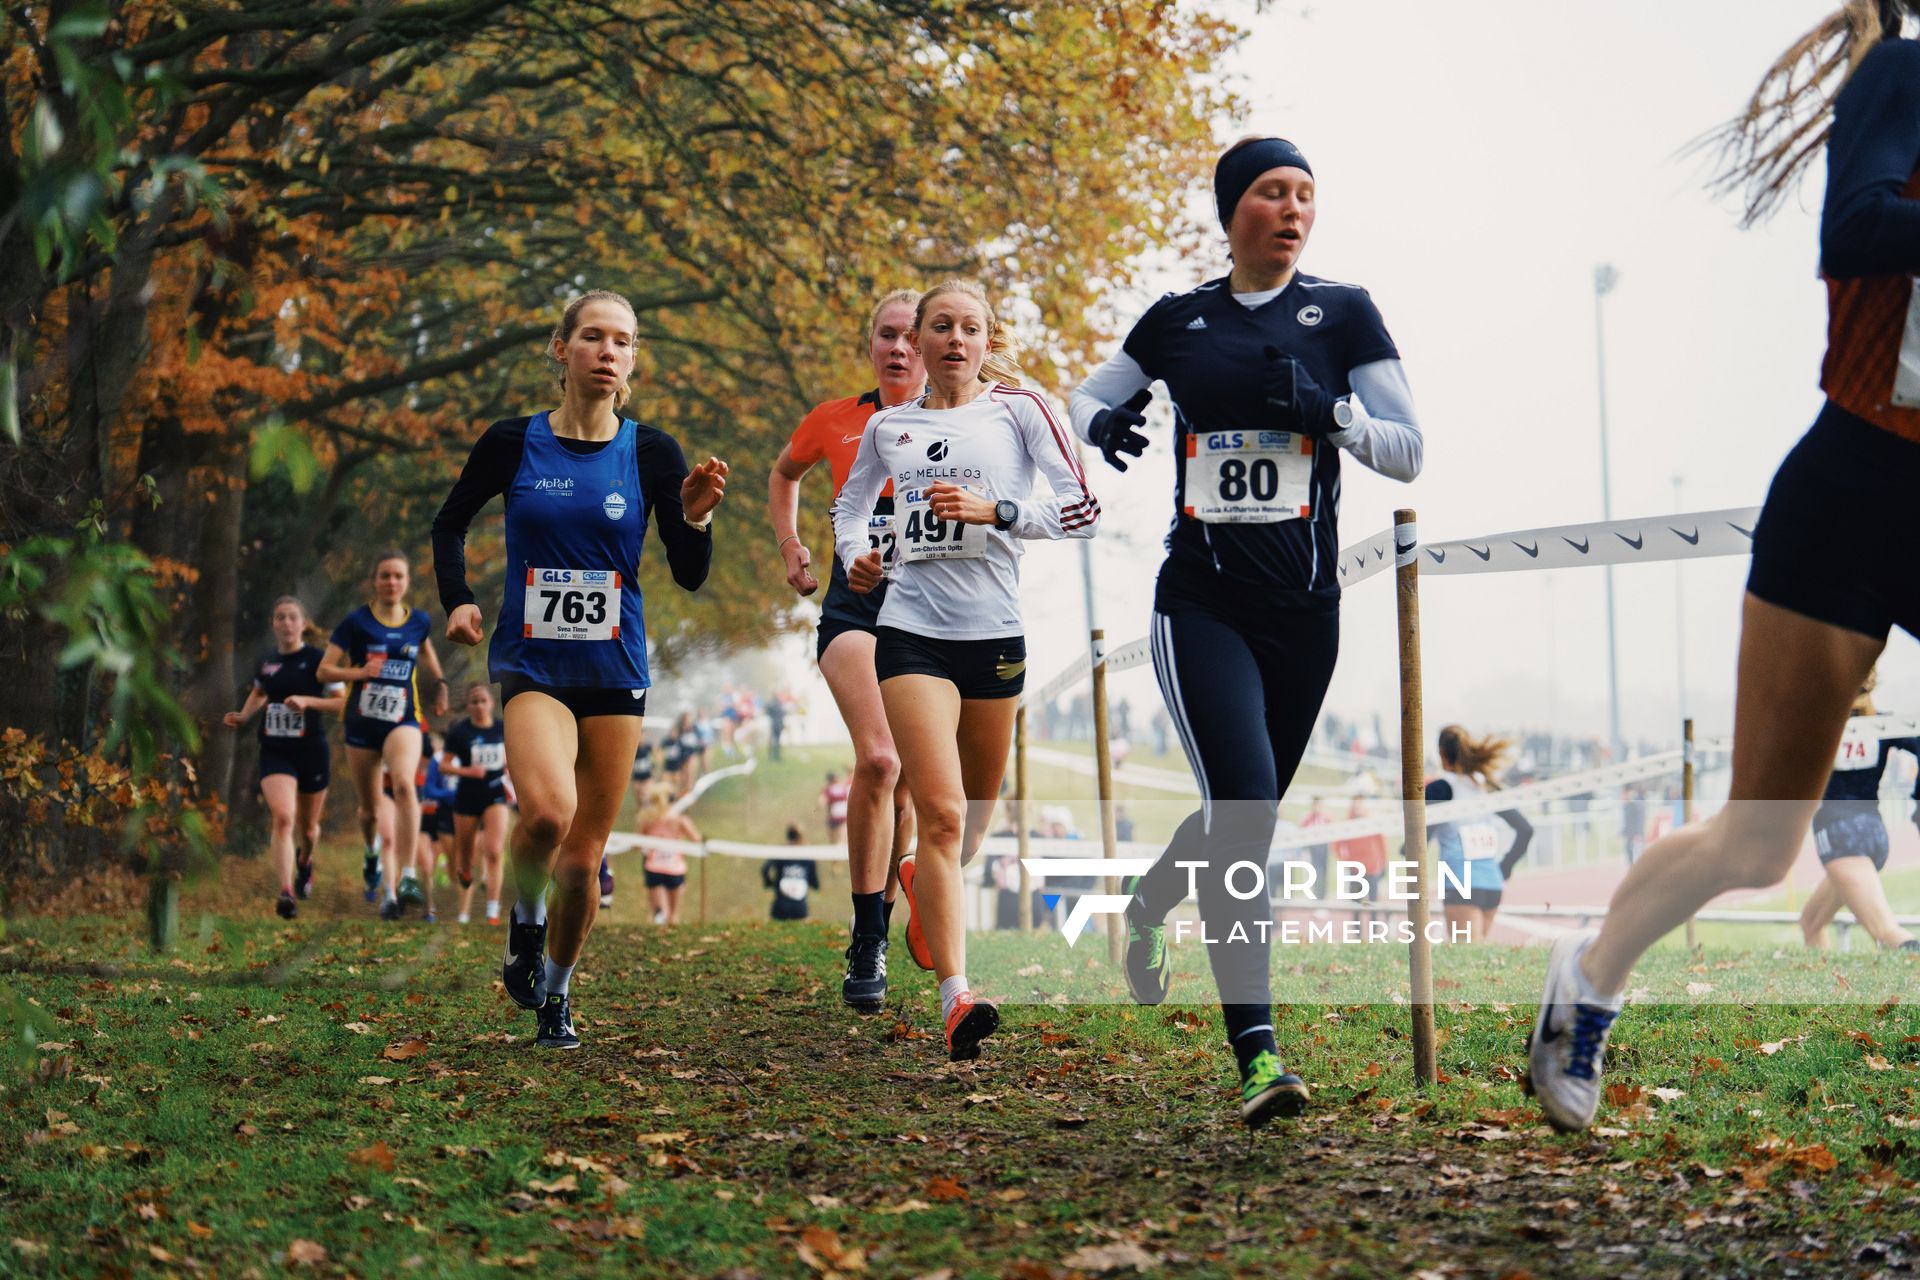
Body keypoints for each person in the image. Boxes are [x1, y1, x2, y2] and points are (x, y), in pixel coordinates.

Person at [1528, 4, 1920, 1132]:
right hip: (1852, 495)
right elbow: (1852, 231)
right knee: (1760, 842)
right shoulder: (1901, 76)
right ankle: (1589, 976)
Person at [1070, 135, 1422, 1127]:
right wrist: (1103, 426)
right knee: (1249, 811)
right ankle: (1259, 1053)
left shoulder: (1343, 313)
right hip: (1203, 603)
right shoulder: (1182, 321)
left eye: (1307, 192)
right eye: (1272, 191)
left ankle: (1146, 904)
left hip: (1306, 615)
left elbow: (1409, 450)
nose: (1293, 206)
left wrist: (1332, 412)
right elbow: (1091, 391)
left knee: (1245, 812)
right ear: (1234, 211)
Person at [431, 288, 726, 1050]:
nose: (608, 351)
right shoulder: (513, 441)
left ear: (632, 360)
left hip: (615, 673)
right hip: (533, 666)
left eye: (622, 341)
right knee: (547, 818)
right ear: (561, 350)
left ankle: (557, 994)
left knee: (583, 863)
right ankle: (522, 932)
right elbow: (450, 521)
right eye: (592, 337)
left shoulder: (653, 452)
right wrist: (459, 601)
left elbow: (688, 573)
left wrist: (693, 515)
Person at [833, 277, 1101, 1061]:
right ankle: (958, 996)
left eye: (970, 328)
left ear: (989, 341)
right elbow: (850, 509)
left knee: (972, 828)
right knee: (943, 815)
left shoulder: (1021, 409)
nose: (955, 339)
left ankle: (916, 879)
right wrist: (857, 556)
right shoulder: (891, 426)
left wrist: (1001, 513)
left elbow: (1083, 509)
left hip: (996, 638)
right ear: (914, 343)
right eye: (940, 327)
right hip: (910, 632)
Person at [769, 289, 927, 1012]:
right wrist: (793, 545)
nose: (899, 349)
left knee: (922, 779)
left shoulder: (972, 420)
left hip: (938, 613)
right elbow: (784, 474)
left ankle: (907, 906)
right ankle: (867, 938)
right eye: (887, 336)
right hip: (854, 608)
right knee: (882, 759)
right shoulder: (836, 420)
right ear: (871, 346)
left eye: (911, 338)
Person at [317, 551, 449, 921]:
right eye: (385, 576)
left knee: (406, 785)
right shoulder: (356, 623)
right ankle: (372, 851)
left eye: (398, 576)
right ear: (374, 582)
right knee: (371, 810)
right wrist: (360, 674)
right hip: (360, 724)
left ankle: (407, 875)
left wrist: (439, 683)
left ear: (407, 582)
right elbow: (324, 672)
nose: (392, 582)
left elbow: (426, 653)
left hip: (403, 720)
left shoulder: (418, 622)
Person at [223, 596, 344, 920]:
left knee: (308, 829)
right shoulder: (266, 661)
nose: (287, 623)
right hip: (275, 750)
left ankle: (305, 861)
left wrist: (308, 701)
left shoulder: (321, 661)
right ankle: (286, 892)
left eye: (293, 617)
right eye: (280, 617)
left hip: (311, 751)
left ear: (304, 624)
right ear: (273, 624)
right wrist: (245, 714)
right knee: (283, 817)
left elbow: (341, 703)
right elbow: (261, 691)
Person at [1798, 670, 1919, 948]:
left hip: (1839, 833)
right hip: (1874, 834)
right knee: (1811, 922)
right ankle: (1826, 987)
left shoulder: (1819, 726)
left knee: (1889, 933)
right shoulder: (1885, 725)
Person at [1425, 726, 1533, 943]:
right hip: (1492, 883)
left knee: (1467, 962)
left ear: (1442, 754)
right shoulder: (1485, 786)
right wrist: (1505, 866)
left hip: (1460, 883)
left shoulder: (1440, 788)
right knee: (1475, 958)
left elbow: (1420, 839)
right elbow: (1526, 829)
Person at [442, 683, 510, 925]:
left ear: (491, 703)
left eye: (483, 700)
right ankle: (466, 871)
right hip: (467, 797)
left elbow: (514, 757)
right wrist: (469, 771)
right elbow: (445, 765)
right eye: (474, 701)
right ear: (469, 706)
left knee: (493, 851)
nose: (479, 705)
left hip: (495, 795)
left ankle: (492, 910)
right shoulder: (460, 732)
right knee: (465, 857)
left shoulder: (504, 729)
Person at [635, 782, 697, 925]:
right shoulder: (680, 820)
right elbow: (696, 840)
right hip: (675, 870)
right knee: (673, 917)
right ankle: (670, 937)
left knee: (661, 914)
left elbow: (636, 844)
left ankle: (661, 930)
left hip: (653, 870)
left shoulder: (647, 820)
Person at [1332, 794, 1388, 903]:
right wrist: (1344, 861)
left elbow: (1382, 843)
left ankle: (1374, 920)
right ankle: (1356, 920)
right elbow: (1336, 845)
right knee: (1355, 902)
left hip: (1372, 868)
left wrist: (1384, 861)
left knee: (1373, 902)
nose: (1357, 806)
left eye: (1360, 804)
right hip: (1355, 869)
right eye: (1355, 804)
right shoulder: (1347, 824)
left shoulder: (1371, 822)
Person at [764, 826, 821, 921]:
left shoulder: (780, 853)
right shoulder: (807, 856)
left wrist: (770, 883)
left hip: (779, 906)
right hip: (800, 908)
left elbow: (765, 869)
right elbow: (814, 883)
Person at [821, 770, 852, 844]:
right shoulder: (843, 787)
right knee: (841, 842)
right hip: (843, 818)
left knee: (834, 843)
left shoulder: (827, 789)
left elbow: (821, 803)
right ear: (836, 778)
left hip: (832, 818)